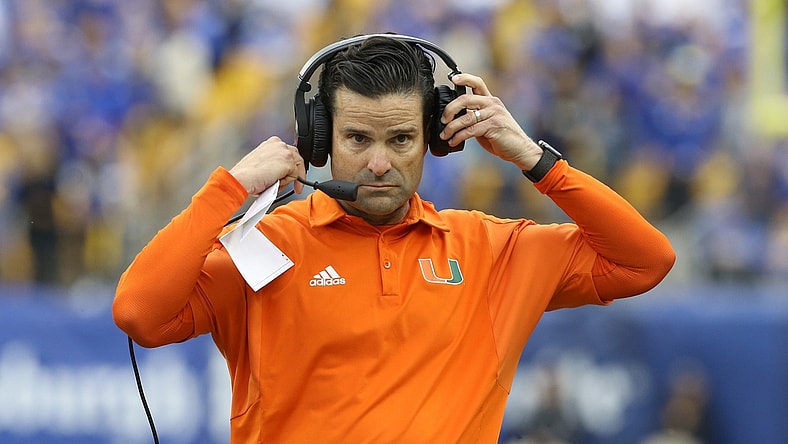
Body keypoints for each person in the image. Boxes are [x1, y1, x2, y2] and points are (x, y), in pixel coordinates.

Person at [113, 34, 675, 443]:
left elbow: (645, 261)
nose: (380, 163)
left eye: (402, 138)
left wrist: (532, 157)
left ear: (435, 138)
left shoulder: (492, 250)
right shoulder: (265, 247)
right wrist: (228, 188)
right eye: (357, 138)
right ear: (318, 139)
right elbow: (140, 312)